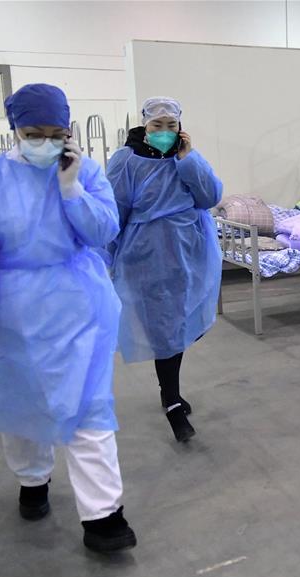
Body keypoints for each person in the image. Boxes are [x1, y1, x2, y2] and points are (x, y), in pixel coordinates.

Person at [0, 83, 136, 553]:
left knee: (90, 409)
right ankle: (33, 481)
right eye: (34, 133)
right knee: (22, 404)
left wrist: (71, 190)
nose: (46, 141)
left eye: (56, 132)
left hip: (78, 311)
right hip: (11, 316)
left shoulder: (86, 172)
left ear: (69, 131)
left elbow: (105, 230)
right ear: (15, 130)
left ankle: (103, 517)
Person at [106, 97, 222, 442]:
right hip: (148, 255)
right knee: (164, 327)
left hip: (188, 251)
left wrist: (190, 159)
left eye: (172, 126)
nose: (164, 132)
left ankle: (168, 390)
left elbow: (209, 196)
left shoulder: (184, 158)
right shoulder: (126, 160)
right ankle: (172, 402)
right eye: (158, 126)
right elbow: (115, 211)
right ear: (144, 126)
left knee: (179, 322)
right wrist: (107, 257)